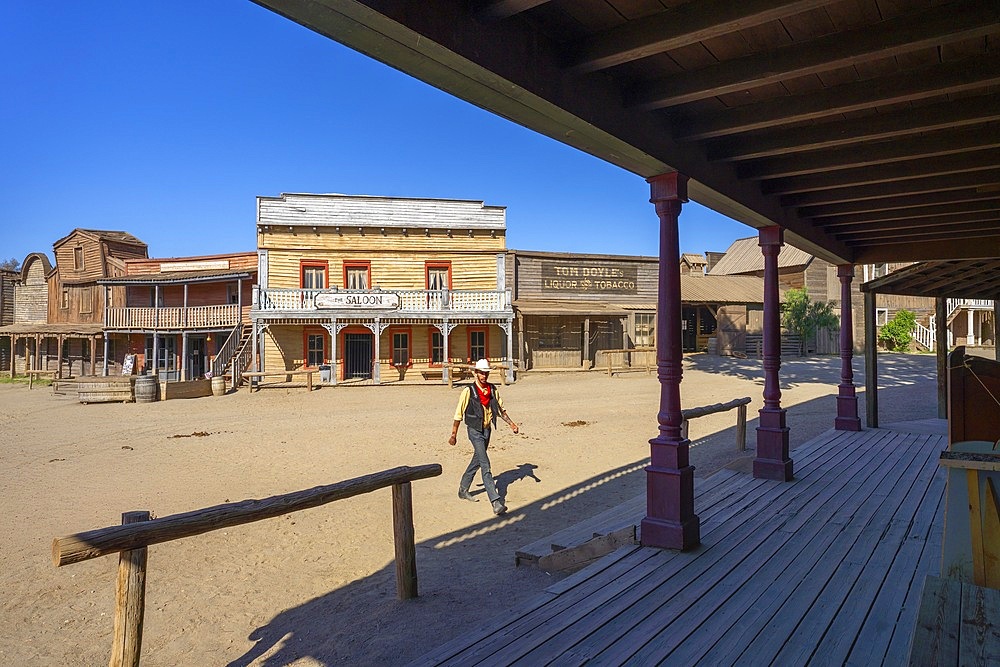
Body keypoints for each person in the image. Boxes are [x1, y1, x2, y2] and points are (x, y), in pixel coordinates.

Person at [448, 358, 519, 515]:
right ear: (475, 373)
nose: (484, 375)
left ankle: (463, 489)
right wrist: (454, 434)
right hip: (474, 431)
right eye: (481, 373)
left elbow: (501, 410)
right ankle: (495, 502)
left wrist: (512, 424)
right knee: (485, 464)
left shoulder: (492, 390)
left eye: (486, 373)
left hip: (487, 430)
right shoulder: (468, 391)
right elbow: (458, 414)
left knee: (477, 460)